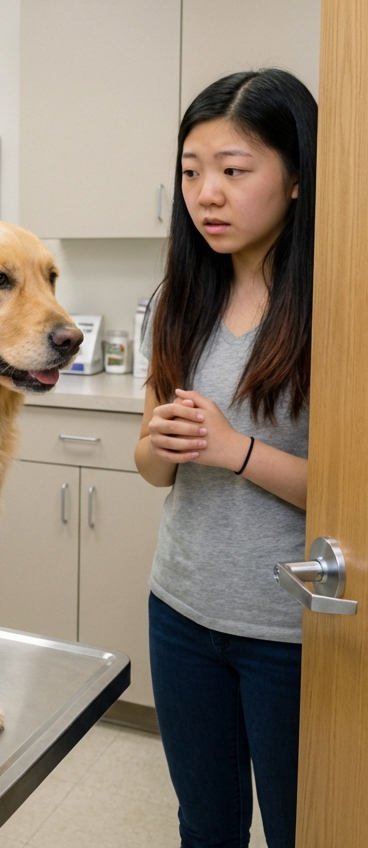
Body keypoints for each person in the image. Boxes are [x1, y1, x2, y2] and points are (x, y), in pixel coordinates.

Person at [135, 69, 317, 848]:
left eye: (234, 171)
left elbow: (353, 500)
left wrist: (239, 451)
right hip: (180, 609)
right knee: (205, 826)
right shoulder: (177, 296)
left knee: (299, 829)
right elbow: (154, 467)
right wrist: (156, 445)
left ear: (297, 178)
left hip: (292, 630)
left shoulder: (335, 312)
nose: (206, 193)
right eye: (191, 171)